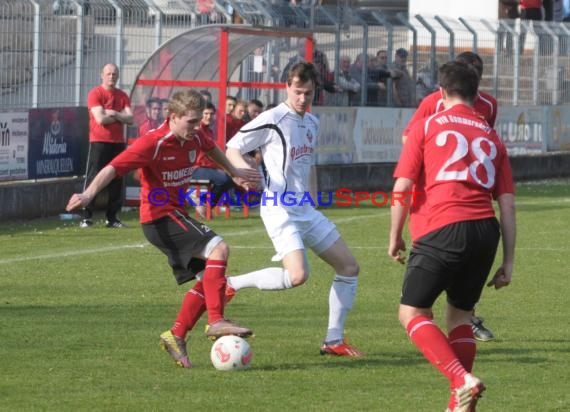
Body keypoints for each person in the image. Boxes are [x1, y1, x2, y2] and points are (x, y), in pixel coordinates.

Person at [66, 89, 260, 369]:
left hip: (174, 214)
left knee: (209, 280)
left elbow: (211, 148)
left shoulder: (196, 136)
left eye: (198, 121)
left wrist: (233, 172)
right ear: (174, 117)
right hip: (158, 217)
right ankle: (216, 321)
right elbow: (112, 168)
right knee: (219, 247)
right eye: (191, 122)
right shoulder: (153, 143)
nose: (197, 128)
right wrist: (88, 194)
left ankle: (176, 335)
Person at [388, 60, 516, 412]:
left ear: (440, 93)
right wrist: (508, 261)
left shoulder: (428, 124)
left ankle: (461, 380)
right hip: (485, 232)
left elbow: (402, 186)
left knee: (412, 313)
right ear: (478, 96)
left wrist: (395, 235)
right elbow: (506, 205)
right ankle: (457, 404)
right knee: (460, 316)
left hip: (442, 227)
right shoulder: (492, 136)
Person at [225, 62, 364, 358]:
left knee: (349, 267)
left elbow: (305, 167)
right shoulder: (273, 118)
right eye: (298, 92)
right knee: (299, 275)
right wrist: (239, 171)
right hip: (279, 207)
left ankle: (333, 340)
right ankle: (231, 284)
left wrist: (313, 202)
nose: (303, 98)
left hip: (304, 208)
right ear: (287, 86)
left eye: (309, 93)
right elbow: (233, 146)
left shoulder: (311, 122)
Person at [401, 51, 499, 342]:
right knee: (431, 251)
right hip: (432, 193)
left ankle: (464, 318)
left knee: (459, 269)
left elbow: (484, 142)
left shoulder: (489, 105)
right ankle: (426, 309)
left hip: (465, 195)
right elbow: (410, 136)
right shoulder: (433, 101)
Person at [81, 63, 134, 229]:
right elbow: (100, 119)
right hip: (99, 141)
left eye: (114, 74)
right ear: (102, 75)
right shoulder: (95, 94)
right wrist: (120, 117)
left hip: (118, 142)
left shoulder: (122, 95)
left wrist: (115, 114)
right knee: (94, 177)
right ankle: (86, 216)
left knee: (116, 179)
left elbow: (130, 119)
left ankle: (112, 218)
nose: (112, 76)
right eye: (109, 73)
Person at [191, 102, 234, 217]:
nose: (209, 117)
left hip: (205, 166)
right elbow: (201, 155)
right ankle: (205, 204)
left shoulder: (209, 131)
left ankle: (203, 203)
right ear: (200, 114)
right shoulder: (196, 129)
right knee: (226, 179)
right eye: (206, 113)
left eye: (211, 114)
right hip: (195, 168)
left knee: (229, 178)